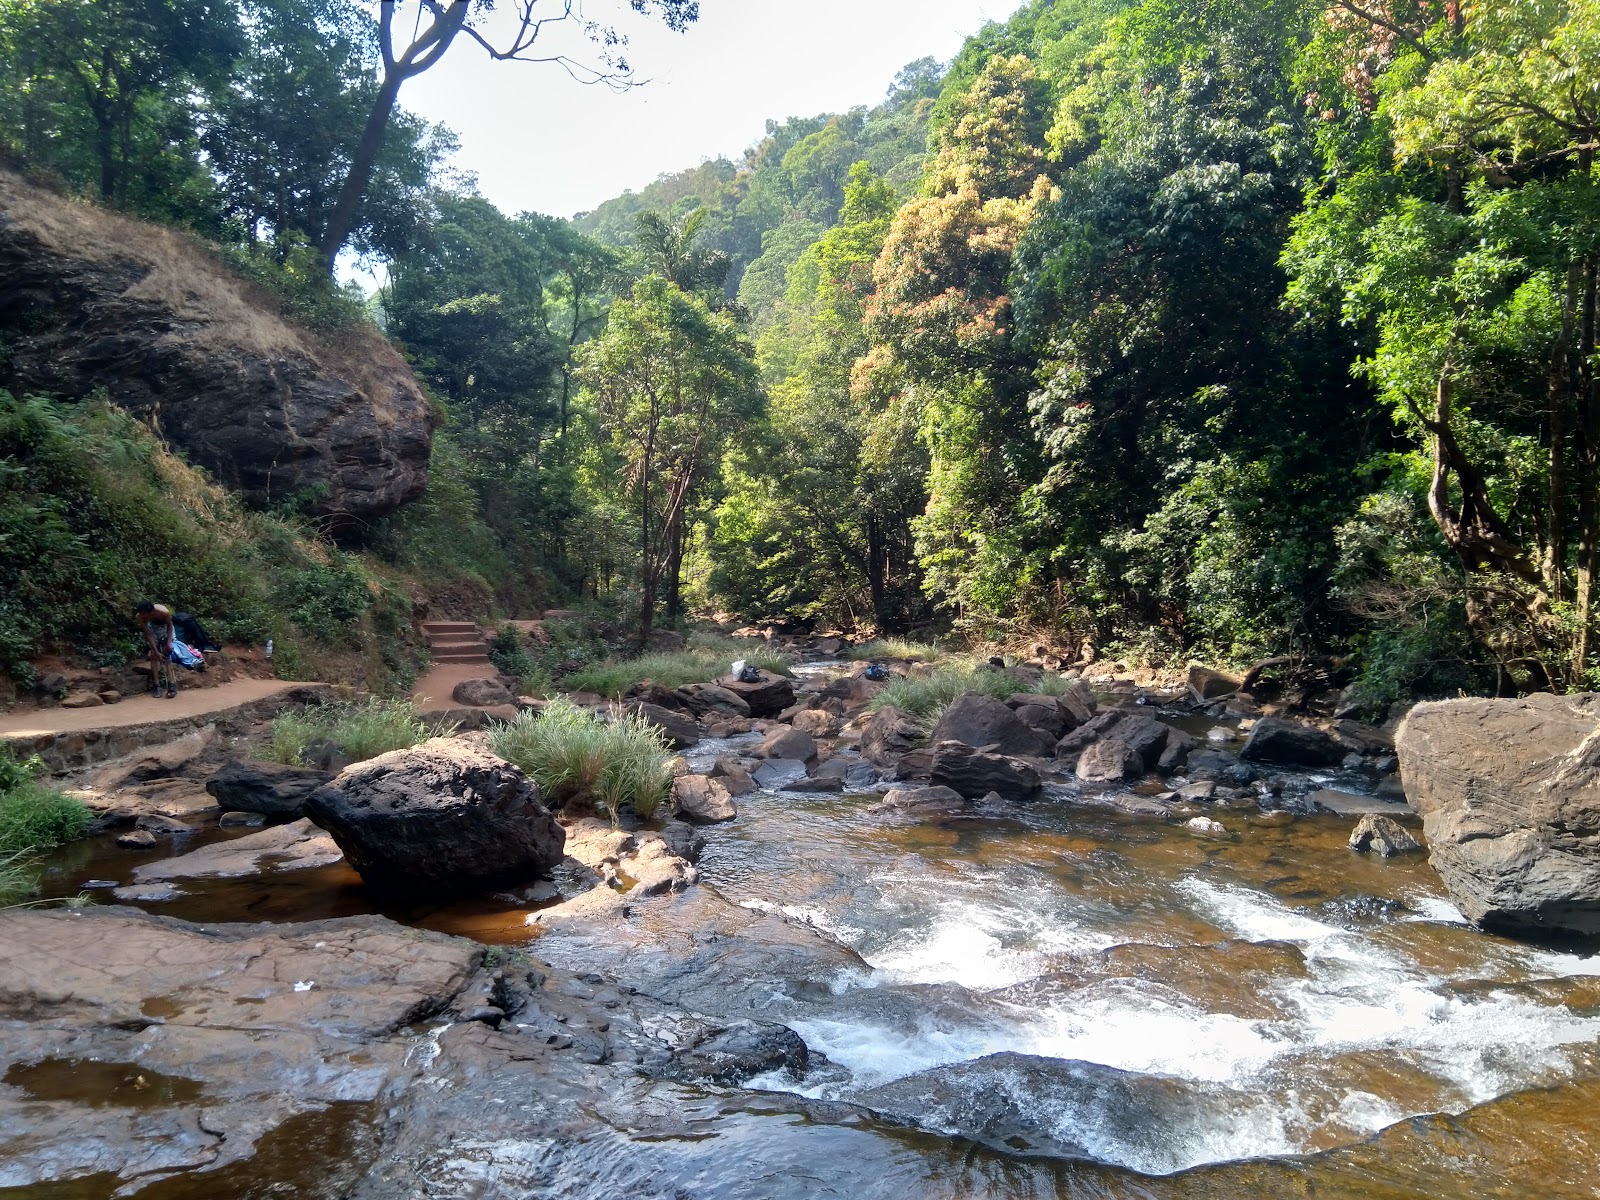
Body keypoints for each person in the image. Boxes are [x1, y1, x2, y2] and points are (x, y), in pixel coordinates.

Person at [135, 601, 178, 699]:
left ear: (151, 612)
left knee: (167, 655)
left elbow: (170, 625)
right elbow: (148, 634)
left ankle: (172, 684)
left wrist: (169, 642)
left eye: (144, 614)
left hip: (165, 627)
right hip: (152, 628)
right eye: (141, 614)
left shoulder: (163, 613)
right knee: (153, 656)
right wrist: (155, 651)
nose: (143, 616)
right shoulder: (140, 617)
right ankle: (156, 685)